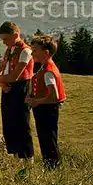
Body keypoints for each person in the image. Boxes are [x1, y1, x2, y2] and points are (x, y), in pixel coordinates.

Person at [0, 21, 35, 162]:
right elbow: (3, 65)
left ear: (15, 35)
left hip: (21, 87)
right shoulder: (9, 50)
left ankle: (27, 155)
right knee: (9, 121)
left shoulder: (25, 51)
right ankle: (15, 153)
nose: (4, 43)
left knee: (21, 121)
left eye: (6, 39)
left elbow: (16, 75)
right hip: (8, 86)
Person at [26, 35, 66, 169]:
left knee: (48, 138)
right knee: (45, 137)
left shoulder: (48, 71)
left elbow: (53, 96)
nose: (32, 53)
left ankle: (53, 166)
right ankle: (50, 165)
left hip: (47, 109)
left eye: (35, 50)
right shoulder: (45, 68)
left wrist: (37, 101)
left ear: (46, 52)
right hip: (45, 108)